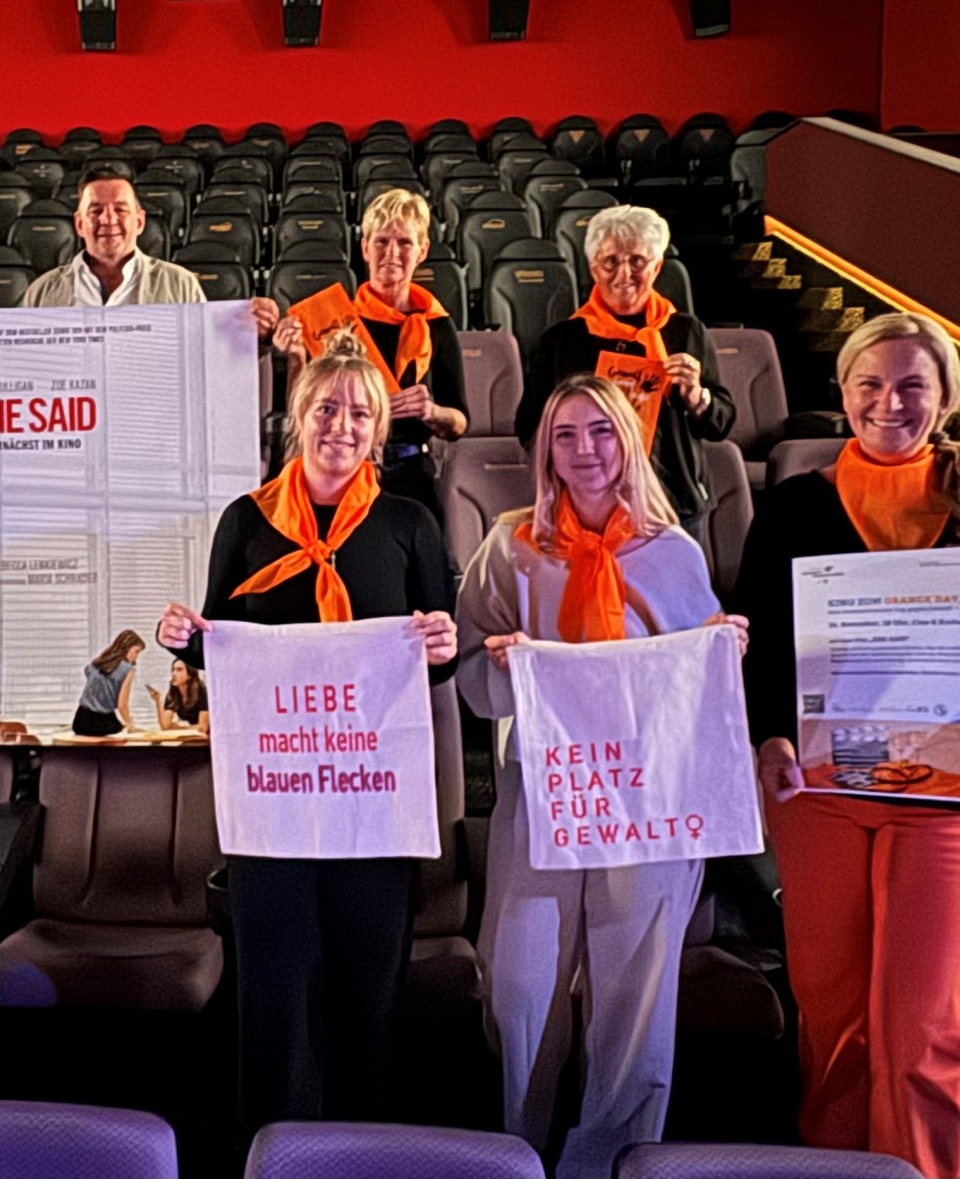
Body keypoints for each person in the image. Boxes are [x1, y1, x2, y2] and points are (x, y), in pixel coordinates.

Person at [736, 313, 960, 1179]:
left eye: (912, 385)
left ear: (945, 397)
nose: (890, 403)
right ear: (844, 392)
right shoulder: (793, 506)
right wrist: (768, 734)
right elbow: (763, 648)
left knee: (927, 1026)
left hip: (949, 794)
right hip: (823, 789)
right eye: (871, 384)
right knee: (835, 1019)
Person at [157, 329, 458, 1129]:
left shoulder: (409, 522)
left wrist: (443, 647)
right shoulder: (246, 520)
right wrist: (184, 638)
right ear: (298, 416)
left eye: (360, 412)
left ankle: (358, 1151)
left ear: (378, 428)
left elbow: (434, 665)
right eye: (326, 407)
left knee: (369, 992)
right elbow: (220, 649)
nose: (342, 425)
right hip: (275, 804)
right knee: (276, 997)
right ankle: (273, 1152)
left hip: (372, 801)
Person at [456, 373, 747, 1178]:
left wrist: (725, 651)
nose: (584, 449)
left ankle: (609, 1163)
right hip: (544, 791)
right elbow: (470, 677)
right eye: (565, 434)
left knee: (635, 996)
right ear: (545, 451)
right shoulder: (510, 546)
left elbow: (699, 690)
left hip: (650, 802)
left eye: (601, 431)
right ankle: (518, 1150)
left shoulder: (674, 552)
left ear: (629, 441)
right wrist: (499, 668)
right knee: (519, 981)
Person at [516, 205, 735, 532]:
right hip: (587, 507)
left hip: (674, 502)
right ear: (593, 269)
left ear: (657, 267)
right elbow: (530, 427)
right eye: (611, 261)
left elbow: (721, 423)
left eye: (637, 261)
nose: (624, 274)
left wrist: (696, 396)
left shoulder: (685, 331)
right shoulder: (561, 341)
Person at [273, 188, 468, 523]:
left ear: (422, 251)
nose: (392, 253)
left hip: (410, 475)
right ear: (365, 248)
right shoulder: (334, 322)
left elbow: (459, 423)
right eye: (381, 241)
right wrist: (295, 358)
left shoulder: (437, 323)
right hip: (343, 474)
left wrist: (431, 411)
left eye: (404, 242)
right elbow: (299, 414)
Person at [22, 167, 281, 338]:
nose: (108, 219)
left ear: (139, 222)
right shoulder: (42, 292)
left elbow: (206, 350)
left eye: (120, 209)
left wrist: (251, 330)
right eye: (96, 211)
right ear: (80, 224)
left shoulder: (180, 283)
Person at [73, 629, 144, 736]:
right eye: (136, 651)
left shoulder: (96, 663)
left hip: (80, 721)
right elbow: (122, 705)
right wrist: (130, 725)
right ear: (126, 648)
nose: (137, 656)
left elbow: (88, 673)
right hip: (104, 722)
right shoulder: (128, 669)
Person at [146, 657, 209, 733]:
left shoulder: (201, 691)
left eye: (179, 670)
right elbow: (165, 726)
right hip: (193, 732)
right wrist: (157, 700)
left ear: (189, 675)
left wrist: (178, 727)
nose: (173, 674)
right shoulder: (173, 692)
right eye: (173, 669)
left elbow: (203, 728)